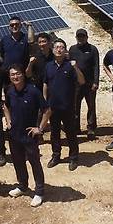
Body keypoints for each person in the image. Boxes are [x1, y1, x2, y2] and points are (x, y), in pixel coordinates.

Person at [3, 64, 51, 208]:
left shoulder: (33, 91)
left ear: (23, 74)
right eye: (12, 75)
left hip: (29, 135)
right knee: (18, 162)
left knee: (34, 162)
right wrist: (8, 120)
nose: (15, 77)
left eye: (17, 74)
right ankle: (23, 186)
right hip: (14, 134)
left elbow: (47, 110)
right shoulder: (10, 91)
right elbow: (5, 106)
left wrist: (40, 128)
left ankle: (40, 191)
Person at [43, 39, 85, 171]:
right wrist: (45, 102)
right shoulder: (48, 66)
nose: (59, 49)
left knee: (71, 133)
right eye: (56, 47)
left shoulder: (70, 66)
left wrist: (75, 67)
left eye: (62, 47)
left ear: (65, 50)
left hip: (68, 106)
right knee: (54, 133)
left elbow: (82, 81)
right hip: (53, 107)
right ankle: (56, 155)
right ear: (53, 49)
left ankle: (73, 157)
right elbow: (45, 84)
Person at [68, 28, 100, 140]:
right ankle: (76, 127)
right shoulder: (72, 49)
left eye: (83, 36)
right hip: (75, 84)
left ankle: (91, 128)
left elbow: (96, 66)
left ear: (87, 37)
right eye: (79, 36)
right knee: (75, 106)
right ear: (76, 37)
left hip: (90, 83)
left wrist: (96, 82)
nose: (80, 38)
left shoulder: (92, 49)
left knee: (91, 106)